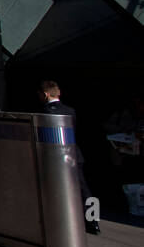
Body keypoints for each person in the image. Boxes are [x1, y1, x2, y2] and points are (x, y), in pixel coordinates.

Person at [39, 81, 99, 234]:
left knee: (55, 188)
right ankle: (94, 221)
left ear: (45, 94)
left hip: (55, 156)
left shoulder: (44, 112)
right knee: (83, 188)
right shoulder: (70, 110)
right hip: (74, 154)